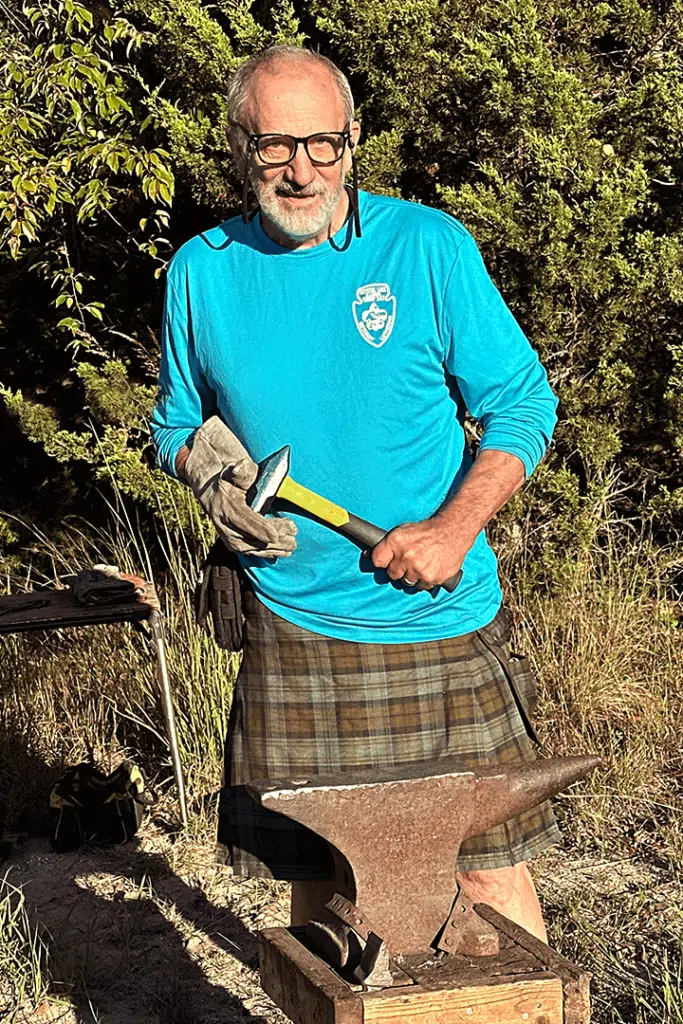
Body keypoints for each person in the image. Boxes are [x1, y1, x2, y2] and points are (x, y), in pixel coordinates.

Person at [151, 45, 560, 943]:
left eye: (323, 144)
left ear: (354, 139)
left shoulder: (424, 247)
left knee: (485, 866)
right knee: (320, 877)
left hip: (434, 619)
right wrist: (210, 474)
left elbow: (522, 401)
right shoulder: (200, 270)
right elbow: (176, 423)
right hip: (290, 616)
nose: (300, 170)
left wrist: (453, 529)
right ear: (237, 147)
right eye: (274, 147)